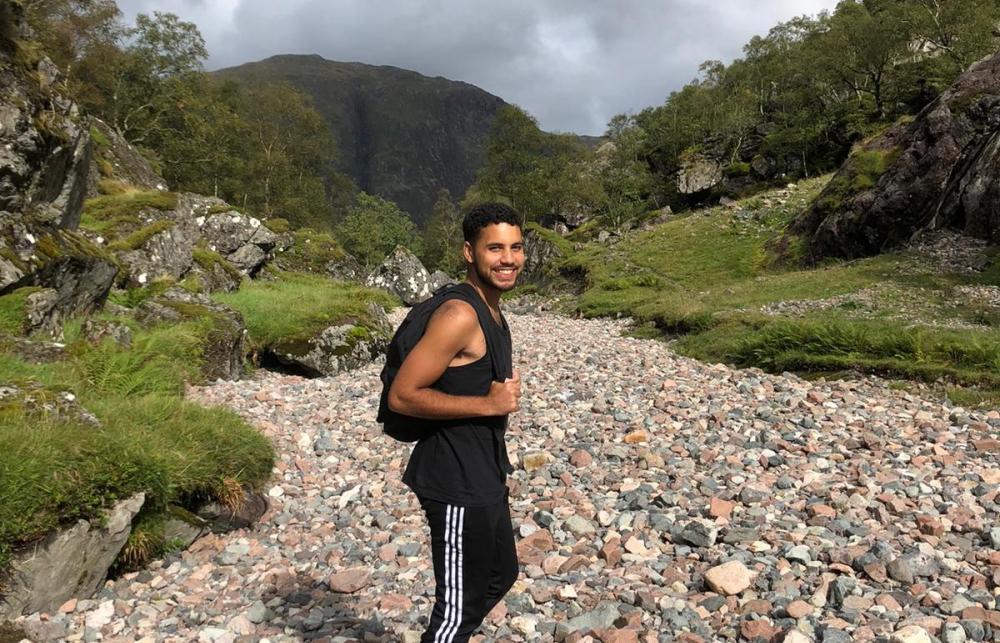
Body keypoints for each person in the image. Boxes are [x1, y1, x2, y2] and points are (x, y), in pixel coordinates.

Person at [387, 202, 525, 642]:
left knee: (500, 574)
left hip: (484, 472)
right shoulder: (459, 315)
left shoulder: (493, 310)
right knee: (456, 612)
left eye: (516, 247)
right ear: (470, 252)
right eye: (495, 248)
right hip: (454, 481)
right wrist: (488, 405)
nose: (508, 259)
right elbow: (403, 395)